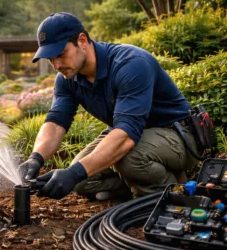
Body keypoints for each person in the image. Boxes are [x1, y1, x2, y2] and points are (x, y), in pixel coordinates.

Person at [20, 12, 199, 201]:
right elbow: (56, 122)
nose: (56, 65)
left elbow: (126, 136)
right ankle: (139, 180)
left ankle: (167, 195)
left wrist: (75, 172)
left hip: (177, 135)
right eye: (50, 59)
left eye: (60, 54)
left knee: (129, 158)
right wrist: (36, 158)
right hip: (132, 133)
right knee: (82, 181)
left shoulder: (130, 64)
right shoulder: (67, 78)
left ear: (82, 41)